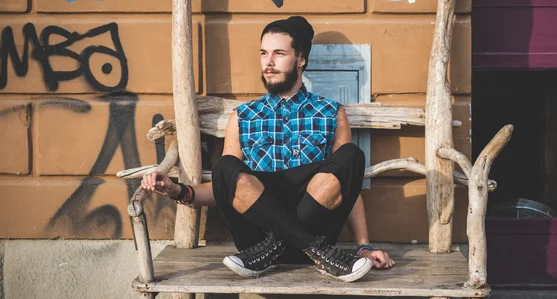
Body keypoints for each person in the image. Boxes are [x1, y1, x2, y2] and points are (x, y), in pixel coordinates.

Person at [142, 16, 395, 283]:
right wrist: (179, 191)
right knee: (226, 166)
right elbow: (229, 187)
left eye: (279, 53)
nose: (268, 62)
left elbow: (345, 188)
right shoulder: (243, 117)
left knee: (351, 157)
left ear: (301, 59)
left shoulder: (330, 113)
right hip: (261, 239)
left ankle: (281, 247)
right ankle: (315, 250)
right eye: (263, 53)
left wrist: (364, 246)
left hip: (268, 253)